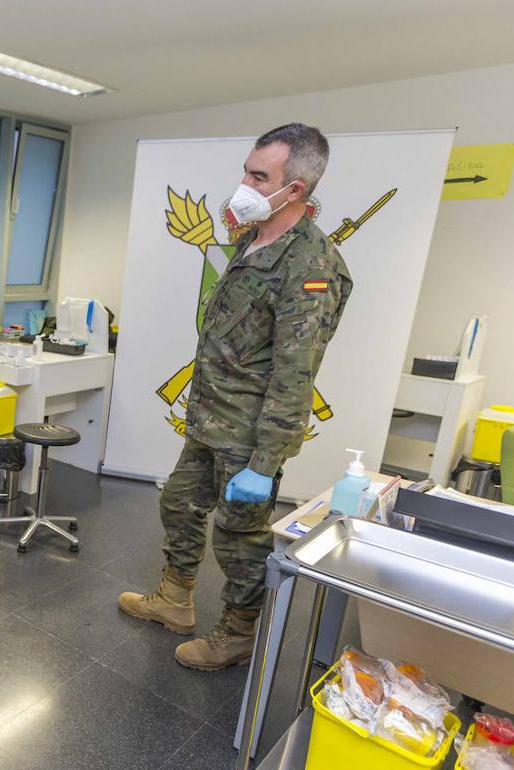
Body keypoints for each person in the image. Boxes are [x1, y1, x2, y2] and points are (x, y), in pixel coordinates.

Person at [118, 123, 353, 671]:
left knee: (240, 537)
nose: (243, 183)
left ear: (294, 189)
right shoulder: (253, 238)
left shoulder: (309, 264)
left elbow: (297, 370)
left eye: (258, 175)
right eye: (246, 169)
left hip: (249, 433)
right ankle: (175, 600)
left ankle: (238, 632)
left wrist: (266, 462)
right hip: (210, 417)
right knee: (178, 502)